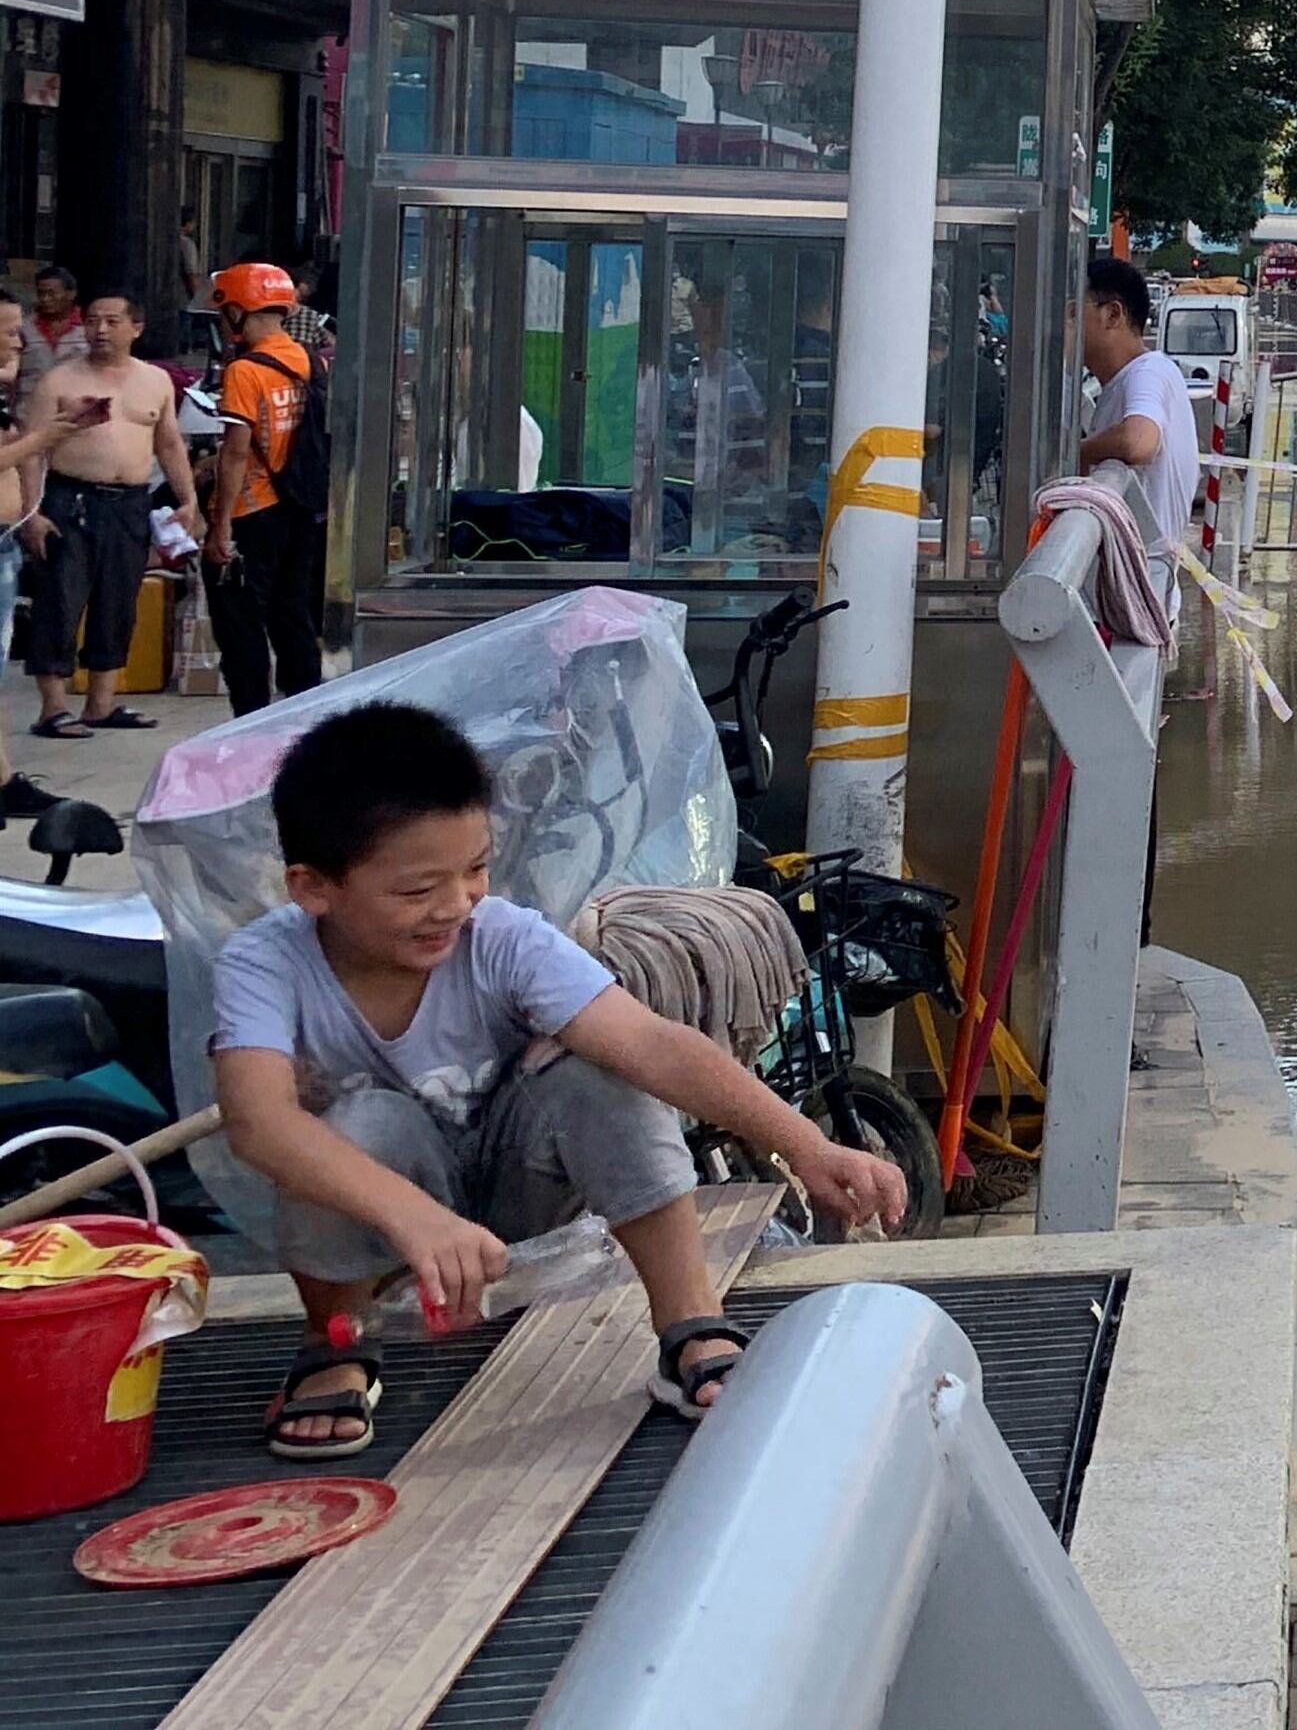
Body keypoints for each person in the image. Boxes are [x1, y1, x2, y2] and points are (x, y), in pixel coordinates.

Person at [211, 702, 905, 1459]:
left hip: (522, 1193)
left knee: (601, 1073)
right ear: (314, 889)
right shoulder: (264, 963)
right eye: (417, 891)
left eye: (474, 869)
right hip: (391, 1228)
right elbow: (257, 1123)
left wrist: (807, 1147)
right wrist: (418, 1219)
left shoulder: (501, 937)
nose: (454, 905)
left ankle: (688, 1323)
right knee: (343, 1129)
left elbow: (653, 1045)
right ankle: (333, 1347)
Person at [19, 291, 195, 737]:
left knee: (118, 603)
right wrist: (32, 513)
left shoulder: (155, 380)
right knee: (60, 600)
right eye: (94, 321)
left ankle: (101, 704)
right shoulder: (59, 381)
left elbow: (170, 443)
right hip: (69, 499)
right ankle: (53, 708)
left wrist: (188, 499)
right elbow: (31, 453)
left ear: (136, 328)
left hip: (131, 501)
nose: (100, 330)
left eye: (112, 321)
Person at [202, 262, 327, 712]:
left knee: (240, 626)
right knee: (292, 615)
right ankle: (305, 713)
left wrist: (219, 529)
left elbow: (236, 452)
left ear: (237, 310)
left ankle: (250, 718)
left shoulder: (244, 371)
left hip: (251, 510)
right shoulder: (307, 358)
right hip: (299, 508)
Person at [1073, 255, 1200, 583]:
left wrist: (1077, 452)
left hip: (1140, 605)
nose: (1063, 325)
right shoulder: (1121, 383)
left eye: (1074, 312)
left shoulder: (1149, 372)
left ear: (1112, 314)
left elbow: (1138, 442)